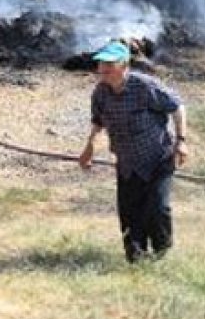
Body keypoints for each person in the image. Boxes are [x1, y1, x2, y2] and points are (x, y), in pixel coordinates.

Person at [78, 41, 188, 263]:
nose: (103, 69)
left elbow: (177, 107)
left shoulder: (145, 86)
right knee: (130, 213)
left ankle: (162, 255)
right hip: (127, 163)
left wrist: (181, 141)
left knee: (158, 208)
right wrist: (89, 148)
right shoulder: (100, 93)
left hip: (157, 159)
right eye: (101, 64)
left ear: (124, 65)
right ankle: (136, 259)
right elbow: (98, 122)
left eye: (109, 64)